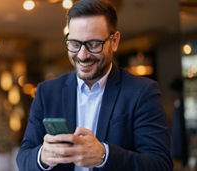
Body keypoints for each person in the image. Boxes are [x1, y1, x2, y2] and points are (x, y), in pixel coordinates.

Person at [16, 0, 173, 170]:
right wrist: (43, 156)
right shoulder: (46, 92)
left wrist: (104, 155)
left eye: (93, 44)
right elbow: (23, 158)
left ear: (114, 41)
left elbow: (160, 165)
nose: (83, 55)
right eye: (75, 44)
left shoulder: (142, 92)